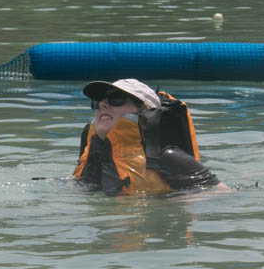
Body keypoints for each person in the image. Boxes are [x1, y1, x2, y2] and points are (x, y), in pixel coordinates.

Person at [74, 78, 222, 195]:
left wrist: (168, 204)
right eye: (98, 101)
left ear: (145, 114)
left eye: (116, 99)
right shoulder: (93, 152)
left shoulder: (167, 157)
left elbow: (222, 194)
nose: (102, 105)